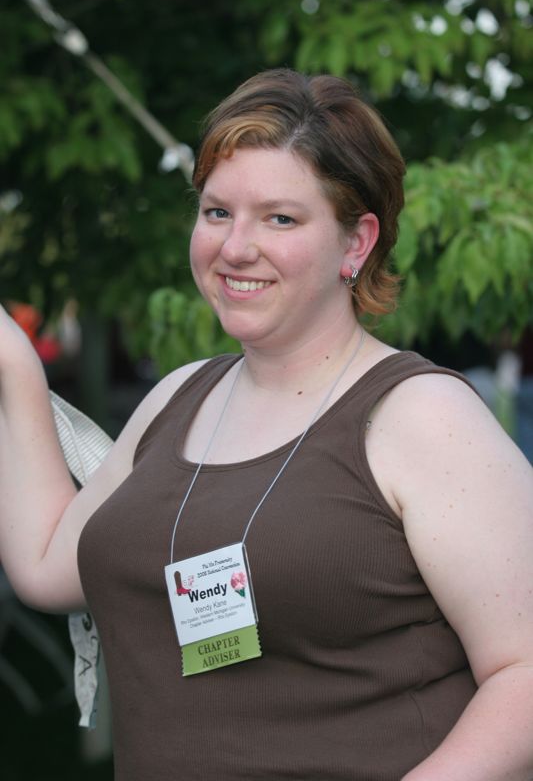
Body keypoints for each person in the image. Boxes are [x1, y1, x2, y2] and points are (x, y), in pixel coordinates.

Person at [0, 68, 532, 781]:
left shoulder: (421, 416)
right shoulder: (180, 396)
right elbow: (46, 569)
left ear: (355, 243)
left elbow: (522, 673)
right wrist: (13, 365)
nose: (235, 247)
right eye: (217, 212)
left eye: (279, 218)